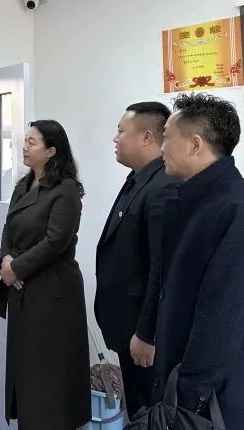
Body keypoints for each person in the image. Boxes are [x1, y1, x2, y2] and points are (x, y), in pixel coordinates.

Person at [151, 93, 244, 429]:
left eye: (167, 138)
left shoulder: (238, 209)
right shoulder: (194, 198)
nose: (161, 148)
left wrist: (190, 396)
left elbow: (222, 315)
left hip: (218, 399)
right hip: (188, 386)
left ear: (195, 145)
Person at [0, 120, 91, 429]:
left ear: (51, 151)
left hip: (53, 292)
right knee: (26, 368)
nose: (24, 146)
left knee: (49, 373)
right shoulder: (22, 185)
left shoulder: (65, 190)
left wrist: (16, 268)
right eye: (25, 140)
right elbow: (8, 228)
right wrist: (6, 260)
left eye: (32, 142)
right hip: (21, 287)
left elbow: (55, 241)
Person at [94, 102, 177, 418]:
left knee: (149, 413)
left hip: (143, 334)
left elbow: (162, 267)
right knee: (138, 411)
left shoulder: (162, 186)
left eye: (121, 131)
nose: (115, 138)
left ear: (146, 137)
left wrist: (147, 333)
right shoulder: (138, 179)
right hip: (127, 327)